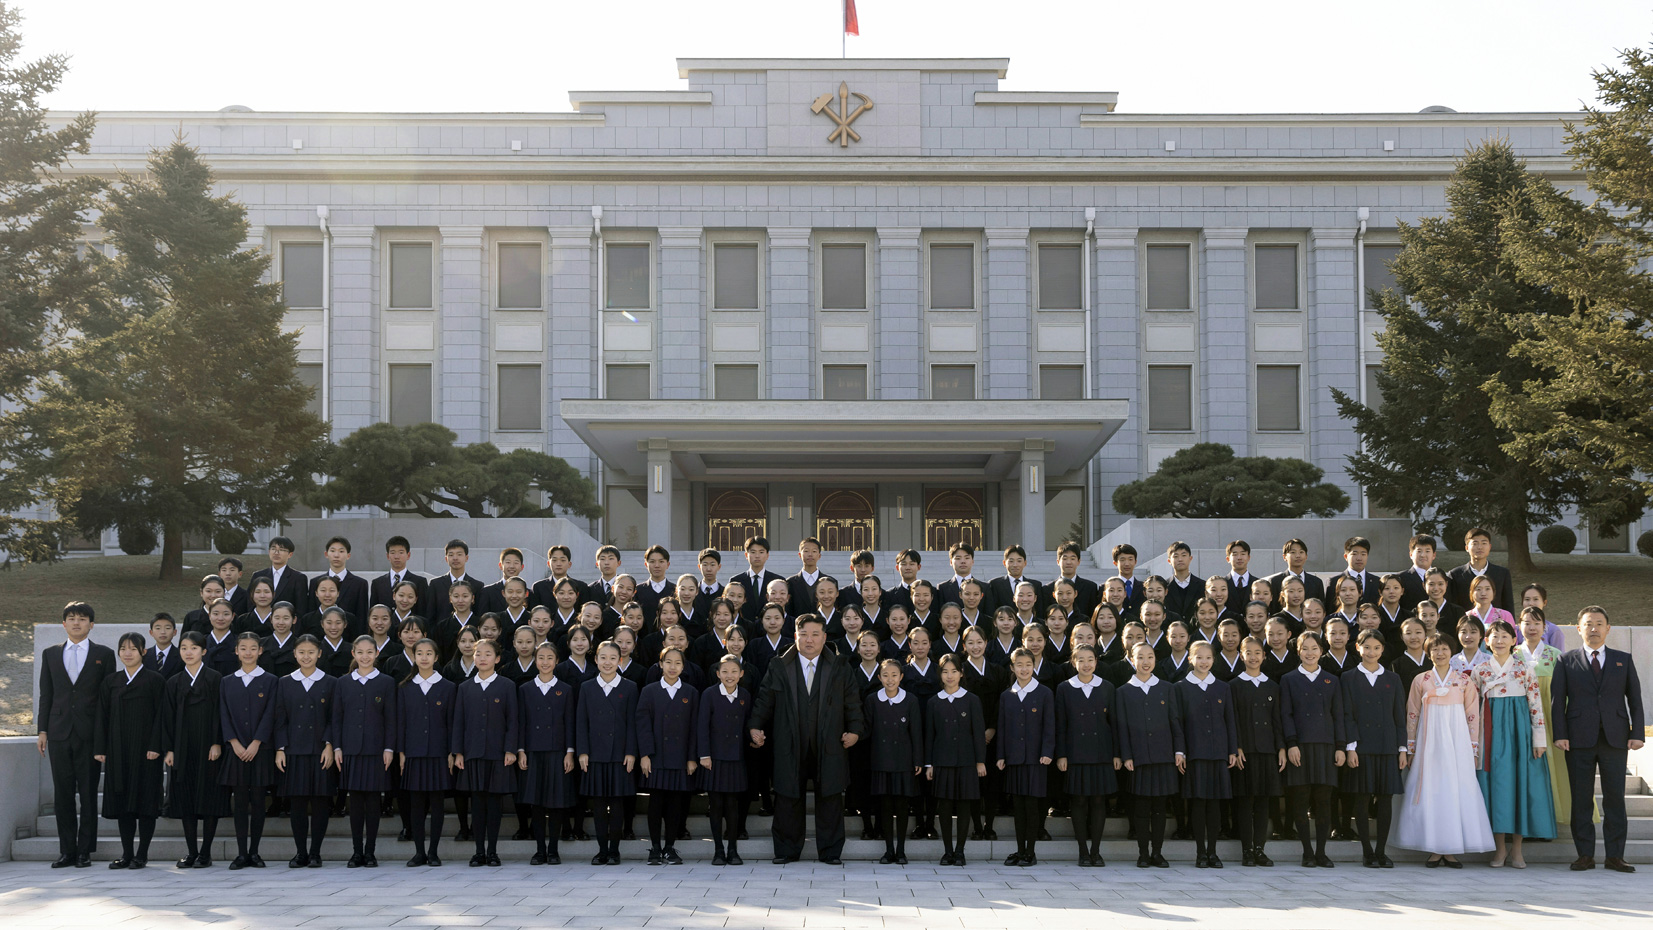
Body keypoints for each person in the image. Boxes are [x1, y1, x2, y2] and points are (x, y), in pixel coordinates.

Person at [749, 613, 867, 865]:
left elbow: (852, 703)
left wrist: (855, 730)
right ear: (795, 636)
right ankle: (786, 850)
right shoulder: (779, 665)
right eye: (803, 634)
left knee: (830, 797)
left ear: (824, 637)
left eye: (815, 634)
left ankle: (831, 852)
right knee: (788, 797)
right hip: (789, 743)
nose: (809, 640)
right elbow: (764, 700)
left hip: (830, 742)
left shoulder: (839, 666)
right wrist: (755, 726)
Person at [1551, 605, 1645, 873]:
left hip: (1615, 738)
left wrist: (1637, 733)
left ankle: (1615, 856)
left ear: (1608, 628)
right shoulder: (1566, 660)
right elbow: (1558, 703)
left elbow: (1635, 700)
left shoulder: (1622, 659)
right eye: (1588, 624)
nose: (1593, 628)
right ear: (1578, 628)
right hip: (1577, 739)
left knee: (1615, 798)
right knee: (1581, 798)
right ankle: (1585, 855)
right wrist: (1560, 735)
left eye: (1599, 623)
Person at [1393, 633, 1492, 867]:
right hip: (1429, 742)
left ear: (1452, 651)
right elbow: (1413, 714)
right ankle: (1434, 848)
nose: (1440, 653)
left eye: (1445, 649)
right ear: (1429, 653)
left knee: (1454, 790)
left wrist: (1472, 745)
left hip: (1457, 741)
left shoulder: (1464, 681)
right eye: (1435, 649)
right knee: (1431, 789)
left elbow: (1472, 715)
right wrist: (1411, 747)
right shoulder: (1421, 680)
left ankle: (1451, 848)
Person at [37, 601, 116, 869]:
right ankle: (67, 850)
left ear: (91, 624)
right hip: (58, 733)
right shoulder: (50, 654)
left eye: (82, 619)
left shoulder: (103, 654)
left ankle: (85, 851)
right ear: (63, 624)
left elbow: (107, 700)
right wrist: (42, 730)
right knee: (63, 794)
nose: (76, 622)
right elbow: (46, 695)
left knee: (88, 793)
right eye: (71, 618)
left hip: (89, 734)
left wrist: (103, 736)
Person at [1471, 617, 1556, 867]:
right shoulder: (1480, 670)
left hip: (1520, 731)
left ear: (1513, 641)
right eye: (1494, 636)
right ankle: (1499, 848)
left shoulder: (1524, 668)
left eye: (1505, 636)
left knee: (1520, 784)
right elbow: (1473, 708)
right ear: (1486, 642)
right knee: (1497, 787)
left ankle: (1517, 849)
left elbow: (1535, 704)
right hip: (1491, 731)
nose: (1499, 641)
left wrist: (1538, 738)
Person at [93, 632, 167, 870]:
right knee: (123, 801)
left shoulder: (155, 680)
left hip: (147, 752)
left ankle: (142, 854)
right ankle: (126, 853)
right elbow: (101, 717)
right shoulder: (111, 681)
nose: (127, 652)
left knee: (145, 803)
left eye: (133, 649)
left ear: (144, 652)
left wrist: (157, 746)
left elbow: (161, 717)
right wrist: (100, 748)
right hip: (118, 749)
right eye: (123, 648)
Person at [1339, 630, 1408, 869]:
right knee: (1362, 797)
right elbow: (1347, 715)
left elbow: (1400, 715)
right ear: (1358, 648)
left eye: (1376, 648)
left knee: (1386, 798)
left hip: (1388, 746)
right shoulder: (1347, 678)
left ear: (1383, 650)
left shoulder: (1393, 678)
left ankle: (1381, 851)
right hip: (1361, 747)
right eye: (1366, 647)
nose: (1371, 652)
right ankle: (1367, 851)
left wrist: (1402, 748)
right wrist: (1350, 747)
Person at [160, 631, 230, 868]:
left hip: (208, 747)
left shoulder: (215, 678)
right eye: (183, 648)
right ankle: (191, 851)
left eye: (193, 648)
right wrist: (169, 749)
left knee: (209, 798)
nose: (188, 653)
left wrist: (217, 742)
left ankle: (206, 852)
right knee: (186, 799)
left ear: (203, 651)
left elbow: (222, 713)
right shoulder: (173, 682)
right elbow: (167, 718)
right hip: (182, 747)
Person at [331, 635, 398, 868]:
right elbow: (336, 719)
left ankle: (370, 852)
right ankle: (356, 852)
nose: (365, 656)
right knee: (355, 803)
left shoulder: (386, 682)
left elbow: (391, 719)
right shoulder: (343, 682)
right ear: (353, 654)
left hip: (376, 751)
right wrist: (337, 747)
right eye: (360, 652)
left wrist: (389, 747)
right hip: (351, 750)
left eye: (370, 652)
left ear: (377, 653)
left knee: (373, 803)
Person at [1281, 630, 1345, 868]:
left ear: (1322, 651)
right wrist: (1291, 743)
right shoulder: (1288, 679)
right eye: (1305, 648)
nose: (1310, 653)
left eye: (1314, 648)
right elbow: (1285, 714)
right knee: (1300, 800)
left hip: (1326, 747)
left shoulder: (1331, 680)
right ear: (1298, 651)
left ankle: (1321, 852)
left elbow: (1338, 716)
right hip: (1300, 747)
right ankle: (1307, 852)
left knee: (1323, 801)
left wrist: (1340, 747)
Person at [452, 637, 517, 867]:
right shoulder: (465, 687)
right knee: (477, 804)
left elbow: (513, 721)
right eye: (478, 654)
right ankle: (478, 851)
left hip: (498, 754)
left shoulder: (507, 686)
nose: (482, 658)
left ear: (497, 659)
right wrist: (458, 752)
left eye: (488, 654)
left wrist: (510, 749)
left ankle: (492, 851)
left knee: (494, 804)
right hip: (473, 753)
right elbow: (458, 722)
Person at [1114, 641, 1180, 869]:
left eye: (1150, 657)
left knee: (1160, 808)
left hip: (1163, 757)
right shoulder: (1123, 691)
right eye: (1140, 657)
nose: (1145, 662)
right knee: (1141, 808)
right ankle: (1143, 853)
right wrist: (1126, 755)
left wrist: (1178, 750)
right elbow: (1120, 727)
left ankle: (1158, 853)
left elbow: (1175, 722)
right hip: (1138, 758)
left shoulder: (1166, 688)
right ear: (1132, 660)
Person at [273, 634, 336, 868]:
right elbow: (280, 718)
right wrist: (280, 748)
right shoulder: (285, 682)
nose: (306, 656)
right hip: (294, 751)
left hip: (321, 750)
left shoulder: (331, 682)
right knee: (297, 803)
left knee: (320, 802)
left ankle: (316, 852)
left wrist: (329, 744)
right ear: (295, 654)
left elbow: (333, 718)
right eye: (302, 652)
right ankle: (300, 852)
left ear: (319, 654)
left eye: (311, 652)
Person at [577, 640, 639, 865]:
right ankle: (602, 849)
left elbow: (633, 723)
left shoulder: (630, 687)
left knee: (618, 803)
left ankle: (615, 850)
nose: (608, 662)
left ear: (620, 660)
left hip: (620, 755)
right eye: (603, 657)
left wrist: (631, 752)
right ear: (596, 660)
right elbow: (581, 722)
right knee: (600, 804)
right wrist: (582, 752)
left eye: (613, 658)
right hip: (595, 755)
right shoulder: (586, 687)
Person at [1055, 643, 1117, 867]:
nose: (1086, 664)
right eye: (1081, 660)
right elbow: (1060, 724)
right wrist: (1061, 754)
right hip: (1075, 753)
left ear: (1096, 662)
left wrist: (1116, 754)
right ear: (1074, 663)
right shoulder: (1064, 688)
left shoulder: (1107, 687)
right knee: (1079, 801)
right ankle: (1083, 851)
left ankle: (1096, 851)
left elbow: (1114, 724)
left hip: (1101, 753)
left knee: (1099, 801)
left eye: (1090, 659)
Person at [516, 642, 578, 866]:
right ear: (535, 660)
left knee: (556, 803)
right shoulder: (525, 689)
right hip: (533, 753)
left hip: (557, 752)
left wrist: (570, 752)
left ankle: (553, 849)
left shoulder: (566, 689)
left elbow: (570, 722)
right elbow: (520, 723)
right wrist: (521, 750)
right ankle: (540, 850)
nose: (545, 662)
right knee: (537, 804)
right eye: (540, 657)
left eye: (549, 658)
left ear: (557, 661)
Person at [218, 633, 277, 870]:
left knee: (258, 801)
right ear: (236, 651)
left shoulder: (271, 680)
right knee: (240, 803)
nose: (248, 652)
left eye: (253, 648)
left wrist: (256, 742)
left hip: (260, 751)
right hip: (236, 751)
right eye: (244, 648)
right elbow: (224, 714)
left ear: (260, 651)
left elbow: (271, 714)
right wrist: (234, 743)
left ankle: (255, 852)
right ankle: (241, 853)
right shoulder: (227, 681)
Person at [1177, 641, 1238, 869]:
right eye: (1199, 657)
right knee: (1198, 804)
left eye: (1208, 658)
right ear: (1190, 659)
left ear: (1214, 660)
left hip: (1218, 753)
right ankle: (1200, 853)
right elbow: (1178, 723)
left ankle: (1213, 852)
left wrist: (1231, 749)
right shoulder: (1181, 687)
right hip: (1194, 754)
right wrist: (1181, 751)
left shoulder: (1222, 687)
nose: (1204, 662)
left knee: (1214, 805)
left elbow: (1230, 721)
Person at [637, 646, 699, 865]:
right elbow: (642, 725)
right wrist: (645, 754)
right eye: (668, 662)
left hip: (681, 758)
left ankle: (670, 847)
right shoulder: (649, 691)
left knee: (675, 805)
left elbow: (694, 728)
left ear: (683, 667)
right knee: (656, 804)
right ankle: (654, 847)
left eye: (678, 663)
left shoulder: (690, 692)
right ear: (660, 664)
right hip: (656, 757)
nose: (673, 667)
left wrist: (692, 757)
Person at [398, 637, 456, 867]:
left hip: (439, 754)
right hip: (413, 753)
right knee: (416, 804)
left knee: (437, 804)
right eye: (419, 653)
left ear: (436, 657)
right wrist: (401, 752)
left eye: (428, 653)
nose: (424, 657)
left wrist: (452, 752)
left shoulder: (448, 687)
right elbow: (400, 723)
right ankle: (419, 852)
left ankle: (433, 852)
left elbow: (452, 723)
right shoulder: (404, 688)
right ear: (413, 657)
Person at [997, 646, 1055, 867]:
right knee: (1018, 808)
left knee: (1032, 807)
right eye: (1019, 665)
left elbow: (1050, 726)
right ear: (1012, 667)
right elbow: (1002, 728)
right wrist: (1001, 755)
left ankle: (1030, 852)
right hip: (1014, 759)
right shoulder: (1006, 695)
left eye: (1028, 664)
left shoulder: (1044, 693)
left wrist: (1047, 752)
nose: (1024, 669)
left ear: (1034, 666)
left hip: (1036, 760)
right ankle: (1020, 850)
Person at [1230, 635, 1285, 867]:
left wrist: (1281, 747)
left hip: (1267, 751)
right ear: (1241, 655)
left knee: (1263, 802)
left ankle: (1260, 848)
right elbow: (1232, 720)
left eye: (1257, 653)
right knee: (1245, 802)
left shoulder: (1272, 685)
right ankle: (1246, 850)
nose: (1253, 657)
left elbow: (1277, 721)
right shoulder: (1233, 685)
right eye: (1248, 653)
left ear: (1264, 655)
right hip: (1245, 752)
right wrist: (1237, 746)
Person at [864, 659, 923, 864]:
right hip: (881, 760)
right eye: (886, 675)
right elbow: (867, 731)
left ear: (901, 677)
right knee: (885, 807)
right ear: (879, 678)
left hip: (904, 761)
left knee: (902, 806)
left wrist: (918, 760)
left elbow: (916, 733)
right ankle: (888, 850)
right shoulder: (872, 700)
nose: (890, 679)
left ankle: (901, 850)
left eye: (894, 675)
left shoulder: (911, 700)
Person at [698, 655, 753, 866]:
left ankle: (732, 849)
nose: (729, 676)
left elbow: (748, 724)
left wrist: (755, 738)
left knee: (732, 805)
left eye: (734, 671)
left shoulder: (745, 696)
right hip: (714, 758)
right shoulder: (710, 694)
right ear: (718, 674)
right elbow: (702, 726)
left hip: (736, 758)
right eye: (725, 672)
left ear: (741, 674)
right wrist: (704, 755)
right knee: (716, 804)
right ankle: (718, 850)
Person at [1446, 527, 1515, 612]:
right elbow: (1452, 607)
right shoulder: (1455, 575)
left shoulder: (1502, 574)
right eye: (1475, 543)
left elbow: (1508, 606)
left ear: (1489, 547)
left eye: (1484, 543)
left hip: (1495, 624)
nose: (1480, 547)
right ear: (1467, 548)